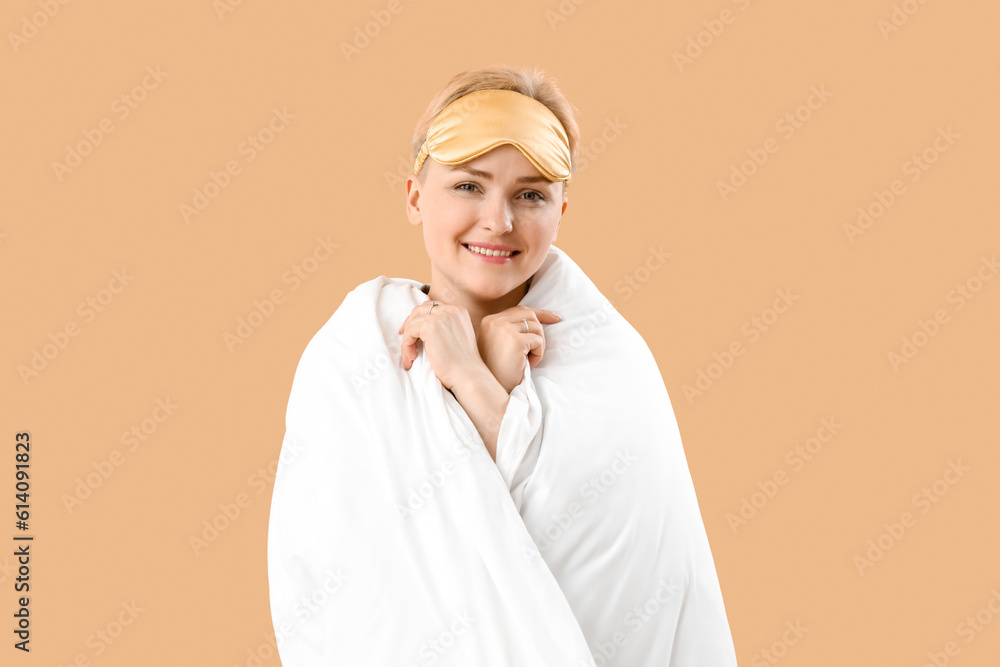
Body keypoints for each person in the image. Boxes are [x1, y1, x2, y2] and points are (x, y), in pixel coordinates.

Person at [267, 65, 738, 666]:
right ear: (416, 197)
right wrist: (488, 383)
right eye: (468, 186)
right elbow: (325, 564)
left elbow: (610, 558)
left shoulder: (610, 357)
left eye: (531, 194)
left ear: (562, 209)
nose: (499, 220)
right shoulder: (353, 350)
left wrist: (474, 380)